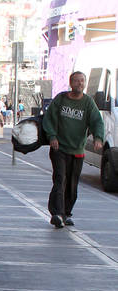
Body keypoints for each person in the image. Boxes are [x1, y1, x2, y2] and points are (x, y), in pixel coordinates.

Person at [42, 70, 104, 228]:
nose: (80, 83)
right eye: (77, 81)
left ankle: (66, 213)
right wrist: (52, 136)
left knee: (72, 183)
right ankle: (57, 214)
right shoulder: (61, 99)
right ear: (71, 83)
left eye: (82, 81)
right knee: (60, 179)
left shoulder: (88, 102)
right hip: (59, 148)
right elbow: (49, 119)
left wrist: (98, 138)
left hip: (77, 150)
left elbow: (97, 121)